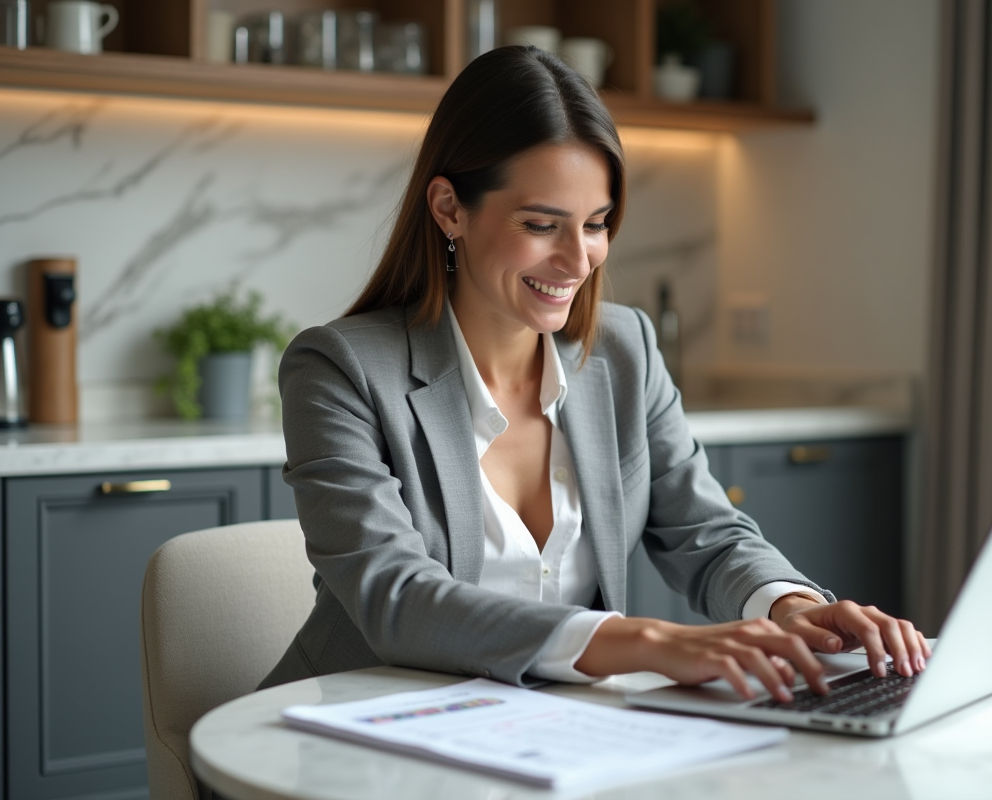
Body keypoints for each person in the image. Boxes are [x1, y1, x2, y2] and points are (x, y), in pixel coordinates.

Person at [260, 46, 929, 704]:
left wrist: (787, 604)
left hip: (545, 739)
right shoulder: (339, 370)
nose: (576, 260)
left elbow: (706, 532)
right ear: (449, 209)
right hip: (353, 733)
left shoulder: (624, 349)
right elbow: (396, 598)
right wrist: (643, 641)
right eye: (541, 224)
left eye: (597, 225)